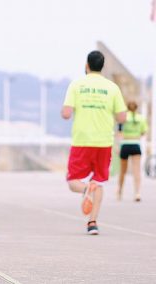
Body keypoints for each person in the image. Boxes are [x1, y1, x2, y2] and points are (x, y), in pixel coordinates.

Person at [61, 51, 126, 235]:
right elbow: (122, 117)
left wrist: (68, 111)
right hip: (104, 142)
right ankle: (93, 223)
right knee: (98, 182)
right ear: (102, 66)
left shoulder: (76, 85)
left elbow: (66, 114)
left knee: (73, 182)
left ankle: (85, 189)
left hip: (82, 141)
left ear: (87, 65)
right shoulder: (112, 88)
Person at [116, 101, 148, 202]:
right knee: (136, 171)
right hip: (135, 144)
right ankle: (137, 193)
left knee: (123, 171)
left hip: (125, 144)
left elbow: (119, 132)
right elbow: (143, 132)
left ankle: (120, 191)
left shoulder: (123, 117)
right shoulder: (141, 118)